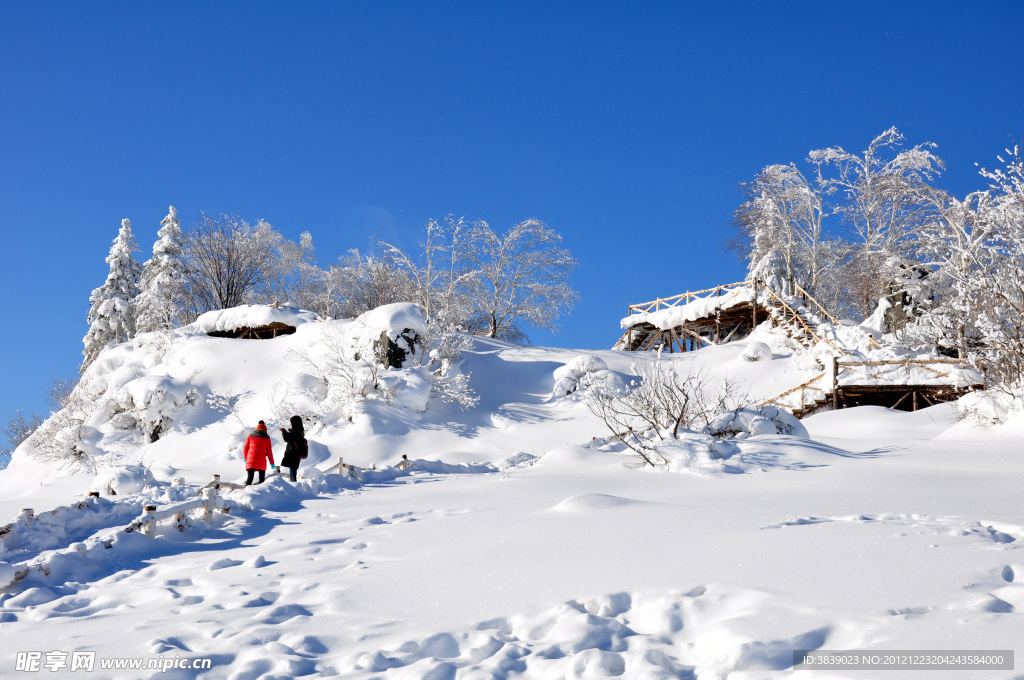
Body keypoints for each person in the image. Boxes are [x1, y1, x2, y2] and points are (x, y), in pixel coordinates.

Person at [243, 420, 276, 485]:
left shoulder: (250, 436)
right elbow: (269, 451)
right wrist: (272, 463)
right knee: (262, 481)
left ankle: (246, 492)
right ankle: (261, 494)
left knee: (249, 480)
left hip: (251, 460)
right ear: (265, 430)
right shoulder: (267, 438)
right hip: (261, 461)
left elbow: (245, 448)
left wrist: (245, 457)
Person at [280, 415, 307, 482]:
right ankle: (293, 484)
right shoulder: (300, 431)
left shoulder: (296, 431)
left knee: (292, 473)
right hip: (297, 454)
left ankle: (294, 485)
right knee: (293, 470)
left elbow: (287, 438)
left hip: (293, 454)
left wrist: (283, 431)